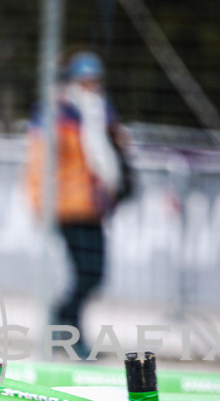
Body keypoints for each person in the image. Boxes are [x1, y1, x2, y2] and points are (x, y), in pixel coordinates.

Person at [25, 50, 132, 358]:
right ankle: (67, 331)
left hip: (93, 207)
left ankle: (66, 329)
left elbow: (109, 158)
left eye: (94, 81)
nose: (91, 87)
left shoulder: (100, 115)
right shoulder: (55, 116)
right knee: (86, 274)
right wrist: (39, 205)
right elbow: (39, 164)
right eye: (84, 81)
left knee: (92, 275)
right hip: (66, 208)